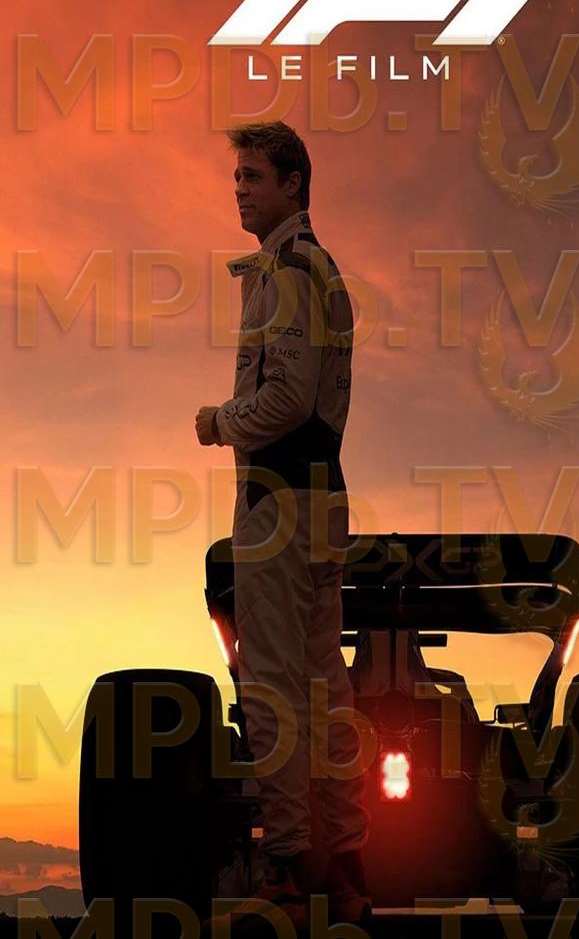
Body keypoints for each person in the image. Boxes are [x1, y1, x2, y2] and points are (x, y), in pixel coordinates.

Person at [194, 121, 371, 930]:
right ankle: (346, 870)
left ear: (294, 184)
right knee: (322, 687)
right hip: (322, 499)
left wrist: (217, 423)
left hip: (279, 501)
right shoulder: (311, 268)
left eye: (254, 176)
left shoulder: (292, 271)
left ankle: (294, 872)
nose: (239, 189)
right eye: (236, 176)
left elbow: (288, 401)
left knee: (272, 689)